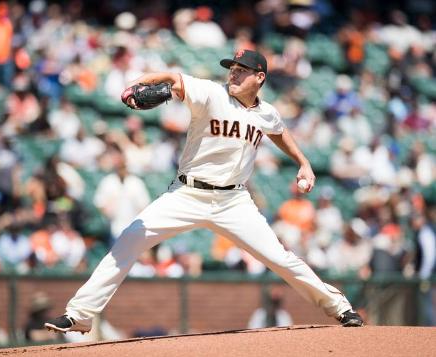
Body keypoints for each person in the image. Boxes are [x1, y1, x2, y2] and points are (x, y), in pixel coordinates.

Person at [45, 49, 363, 334]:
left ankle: (340, 308)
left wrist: (304, 162)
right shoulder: (211, 93)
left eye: (241, 70)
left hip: (234, 201)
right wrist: (140, 82)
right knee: (130, 238)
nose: (233, 74)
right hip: (186, 194)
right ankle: (79, 315)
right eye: (232, 69)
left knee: (280, 258)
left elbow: (278, 132)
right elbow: (173, 78)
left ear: (260, 77)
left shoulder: (266, 113)